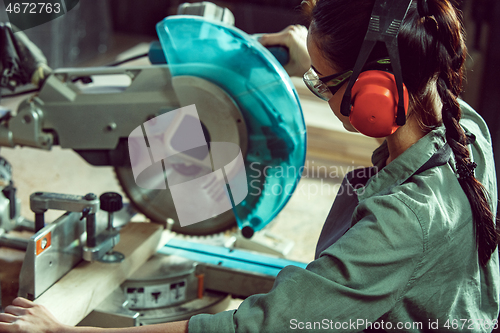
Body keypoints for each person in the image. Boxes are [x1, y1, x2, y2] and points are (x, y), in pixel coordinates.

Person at [1, 0, 498, 332]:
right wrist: (310, 56)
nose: (320, 94)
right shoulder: (462, 128)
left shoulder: (404, 220)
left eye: (323, 84)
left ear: (376, 95)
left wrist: (61, 330)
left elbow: (258, 327)